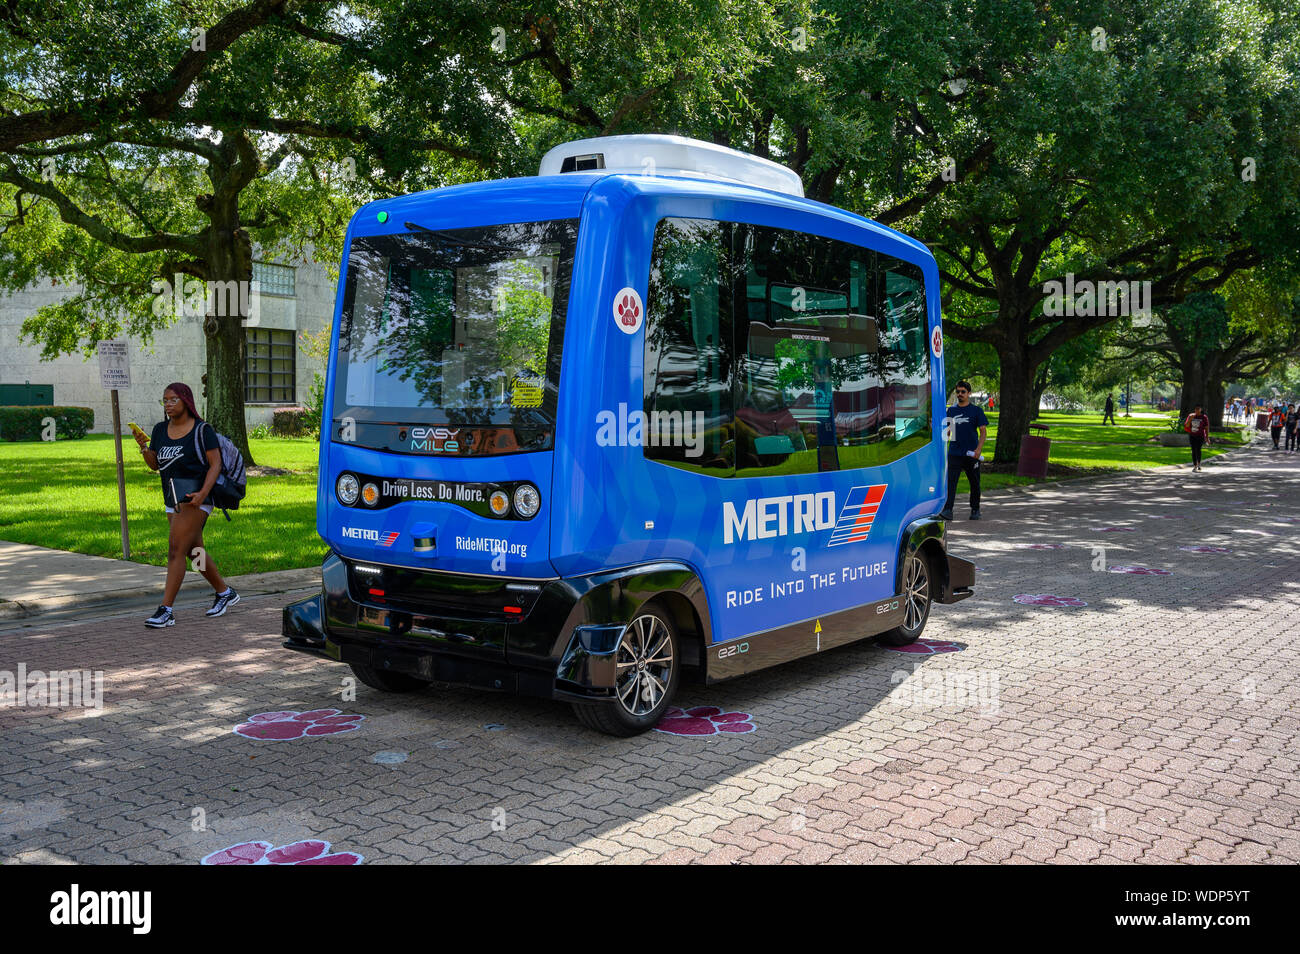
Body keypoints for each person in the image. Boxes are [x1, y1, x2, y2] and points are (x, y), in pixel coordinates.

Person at [132, 383, 239, 627]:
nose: (168, 405)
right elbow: (155, 465)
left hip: (195, 497)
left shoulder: (202, 430)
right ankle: (225, 592)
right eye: (165, 400)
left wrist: (203, 493)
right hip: (172, 498)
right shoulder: (160, 430)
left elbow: (216, 465)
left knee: (175, 550)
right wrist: (144, 447)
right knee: (194, 552)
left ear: (185, 401)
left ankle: (166, 610)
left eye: (173, 400)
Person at [940, 380, 988, 521]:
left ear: (969, 393)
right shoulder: (952, 410)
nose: (960, 394)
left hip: (971, 454)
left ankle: (975, 509)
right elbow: (949, 432)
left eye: (963, 392)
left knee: (974, 482)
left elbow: (983, 432)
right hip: (954, 452)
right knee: (951, 482)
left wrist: (978, 450)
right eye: (958, 392)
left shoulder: (976, 411)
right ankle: (948, 510)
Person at [1183, 405, 1212, 472]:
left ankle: (1199, 464)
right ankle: (1195, 465)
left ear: (1201, 409)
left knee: (1198, 449)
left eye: (1198, 409)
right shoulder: (1191, 416)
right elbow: (1186, 426)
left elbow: (1206, 428)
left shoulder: (1204, 417)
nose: (1197, 410)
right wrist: (1190, 419)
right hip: (1192, 435)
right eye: (1196, 409)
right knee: (1193, 450)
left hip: (1200, 436)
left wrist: (1207, 438)